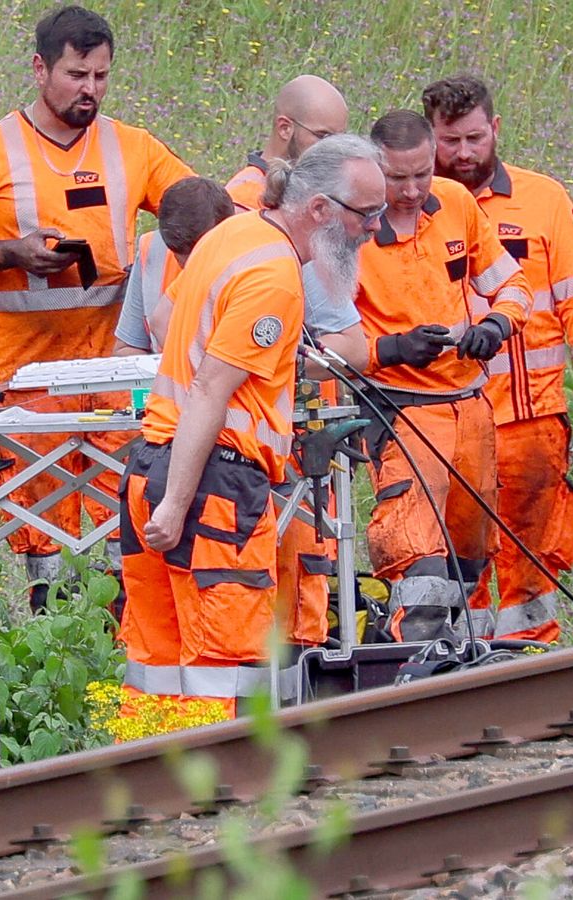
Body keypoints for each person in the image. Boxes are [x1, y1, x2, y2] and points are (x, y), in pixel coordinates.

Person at [0, 6, 194, 609]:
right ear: (41, 70)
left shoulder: (133, 148)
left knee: (128, 528)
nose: (89, 89)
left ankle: (126, 656)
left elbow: (199, 216)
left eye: (100, 76)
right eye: (76, 75)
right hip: (29, 379)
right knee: (45, 540)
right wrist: (10, 252)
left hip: (119, 375)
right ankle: (52, 649)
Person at [116, 135, 385, 723]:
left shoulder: (233, 236)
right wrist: (178, 505)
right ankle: (214, 804)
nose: (374, 230)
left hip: (151, 467)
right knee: (223, 668)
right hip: (211, 489)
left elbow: (167, 322)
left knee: (156, 666)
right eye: (366, 215)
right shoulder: (275, 277)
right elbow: (213, 388)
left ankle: (144, 796)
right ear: (319, 209)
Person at [422, 75, 573, 642]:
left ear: (494, 129)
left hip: (531, 419)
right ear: (430, 138)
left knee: (531, 564)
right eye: (449, 141)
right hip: (445, 418)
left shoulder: (544, 201)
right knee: (448, 563)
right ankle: (452, 671)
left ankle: (526, 668)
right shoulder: (412, 209)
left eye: (473, 138)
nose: (463, 154)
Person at [352, 110, 531, 642]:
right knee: (416, 559)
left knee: (469, 559)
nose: (409, 190)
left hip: (469, 406)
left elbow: (514, 285)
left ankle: (460, 666)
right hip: (402, 412)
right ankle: (406, 667)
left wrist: (496, 325)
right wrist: (392, 349)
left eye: (421, 174)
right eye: (395, 177)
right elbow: (325, 340)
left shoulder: (456, 205)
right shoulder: (353, 228)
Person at [112, 177, 236, 356]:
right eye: (182, 257)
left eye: (204, 253)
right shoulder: (154, 248)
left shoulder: (255, 258)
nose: (193, 265)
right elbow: (126, 348)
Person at [226, 75, 351, 212]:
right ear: (284, 128)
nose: (333, 149)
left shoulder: (314, 192)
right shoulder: (244, 199)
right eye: (323, 136)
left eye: (339, 139)